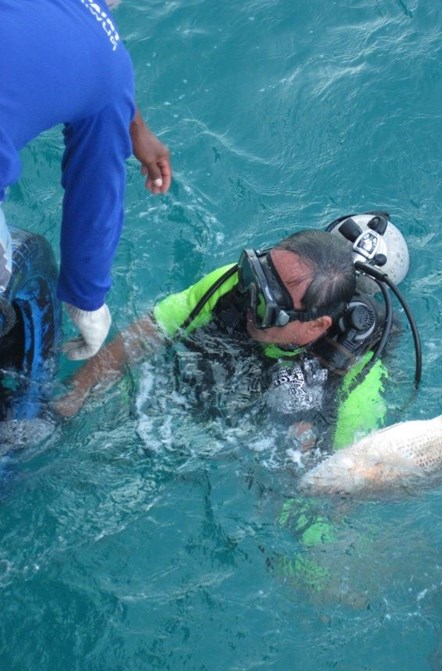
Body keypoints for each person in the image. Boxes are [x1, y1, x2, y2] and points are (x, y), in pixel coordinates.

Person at [53, 215, 413, 454]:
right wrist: (74, 396)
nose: (249, 300)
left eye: (267, 306)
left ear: (315, 326)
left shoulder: (355, 385)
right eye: (254, 276)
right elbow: (143, 336)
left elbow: (334, 480)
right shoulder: (234, 284)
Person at [0, 0, 171, 364]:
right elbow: (95, 199)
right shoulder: (109, 70)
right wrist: (87, 302)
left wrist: (133, 121)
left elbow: (67, 40)